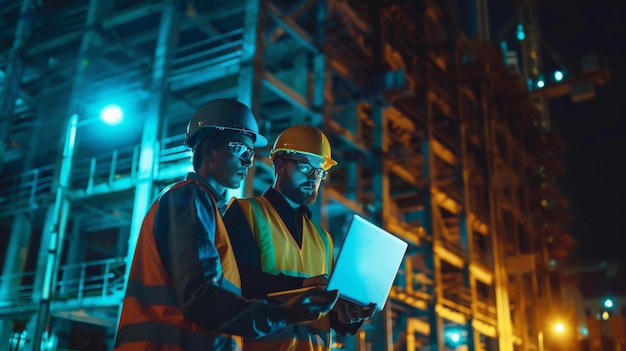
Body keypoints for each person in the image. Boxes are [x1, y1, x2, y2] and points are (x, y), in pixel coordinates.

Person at [114, 100, 339, 351]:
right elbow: (201, 297)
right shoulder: (188, 199)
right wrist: (283, 313)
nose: (248, 162)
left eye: (251, 154)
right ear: (209, 151)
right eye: (240, 150)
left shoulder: (210, 211)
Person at [223, 125, 376, 351]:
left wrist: (347, 315)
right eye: (305, 166)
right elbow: (239, 283)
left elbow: (326, 314)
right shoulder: (245, 213)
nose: (314, 177)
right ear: (278, 165)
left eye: (320, 171)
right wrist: (303, 286)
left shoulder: (323, 239)